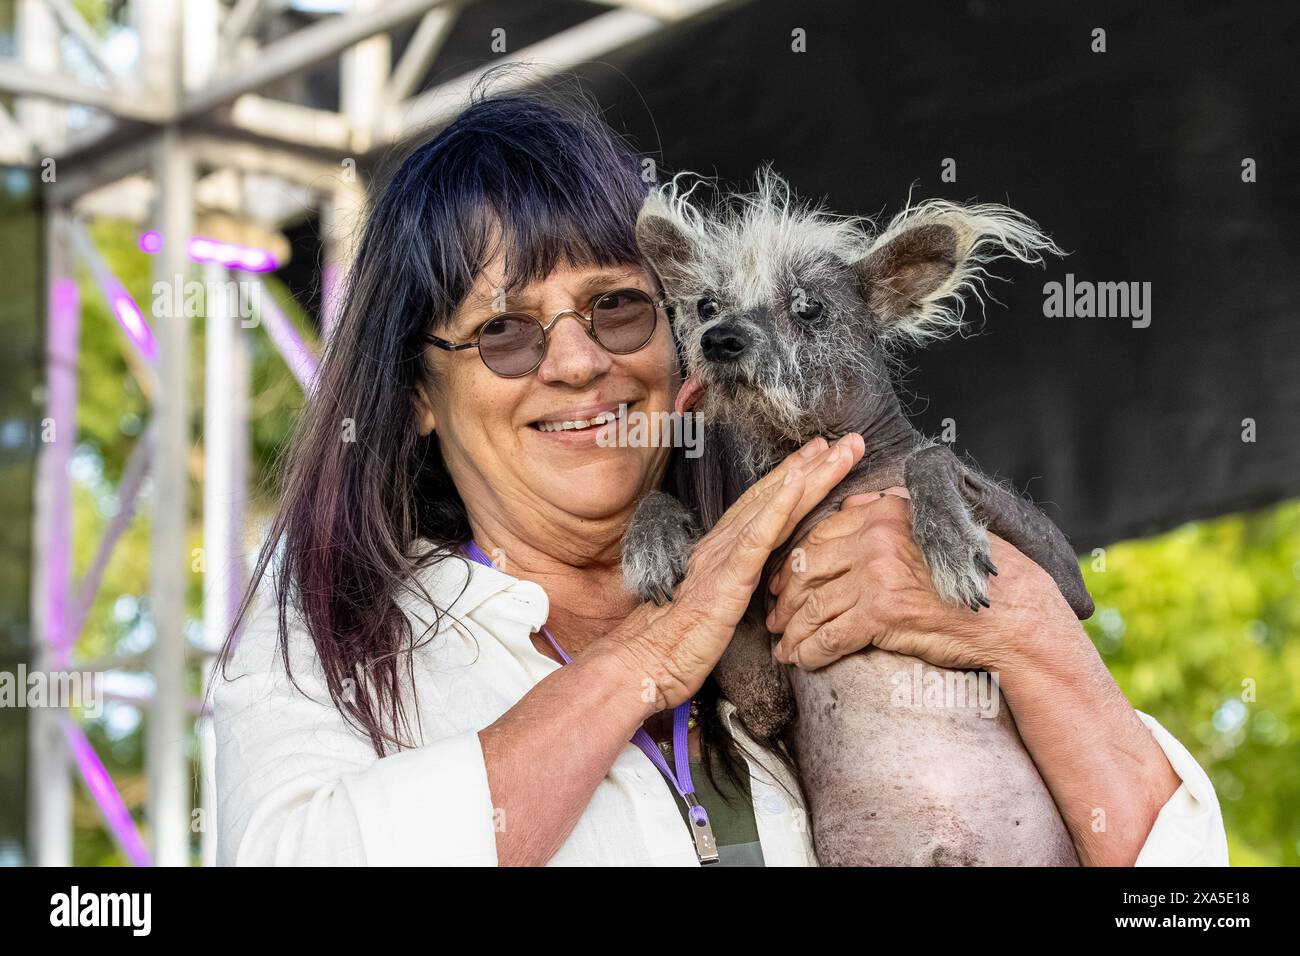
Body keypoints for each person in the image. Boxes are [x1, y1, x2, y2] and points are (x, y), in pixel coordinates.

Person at [212, 83, 1228, 867]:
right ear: (418, 392)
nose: (577, 362)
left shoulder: (826, 580)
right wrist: (648, 657)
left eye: (618, 307)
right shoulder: (339, 637)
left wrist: (1028, 635)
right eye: (504, 331)